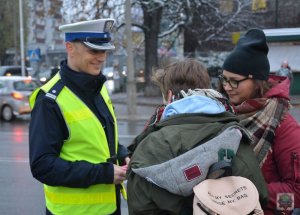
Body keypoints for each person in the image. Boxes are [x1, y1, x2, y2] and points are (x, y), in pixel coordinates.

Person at [127, 59, 268, 215]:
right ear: (207, 89)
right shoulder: (235, 136)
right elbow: (258, 194)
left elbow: (139, 206)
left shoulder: (151, 146)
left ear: (169, 96)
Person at [29, 18, 130, 215]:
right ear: (70, 47)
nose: (101, 57)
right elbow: (42, 166)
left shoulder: (99, 88)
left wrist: (122, 153)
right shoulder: (49, 100)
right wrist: (103, 173)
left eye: (104, 51)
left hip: (109, 209)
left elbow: (99, 139)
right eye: (93, 50)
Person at [219, 28, 300, 214]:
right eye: (224, 79)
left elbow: (296, 194)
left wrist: (247, 194)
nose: (227, 87)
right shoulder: (224, 112)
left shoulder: (283, 124)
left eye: (234, 81)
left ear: (256, 81)